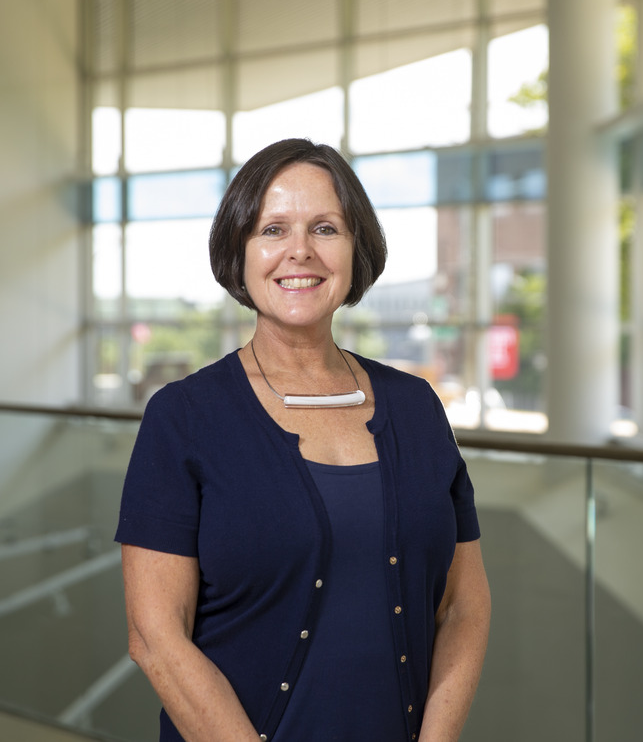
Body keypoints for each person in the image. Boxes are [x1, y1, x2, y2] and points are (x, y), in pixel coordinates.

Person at [116, 138, 491, 742]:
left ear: (354, 247)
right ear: (238, 251)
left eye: (325, 227)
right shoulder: (183, 418)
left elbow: (464, 607)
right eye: (272, 230)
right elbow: (156, 637)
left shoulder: (417, 408)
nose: (300, 252)